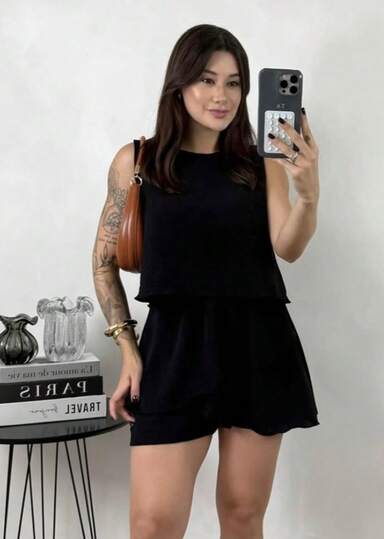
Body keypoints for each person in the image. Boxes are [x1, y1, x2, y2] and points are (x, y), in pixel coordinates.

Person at [92, 23, 320, 539]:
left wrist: (308, 195)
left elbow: (288, 246)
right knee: (153, 523)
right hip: (173, 348)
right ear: (179, 84)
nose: (221, 96)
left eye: (234, 83)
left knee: (242, 515)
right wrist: (128, 350)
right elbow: (104, 262)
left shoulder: (262, 164)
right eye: (206, 79)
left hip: (257, 343)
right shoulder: (137, 161)